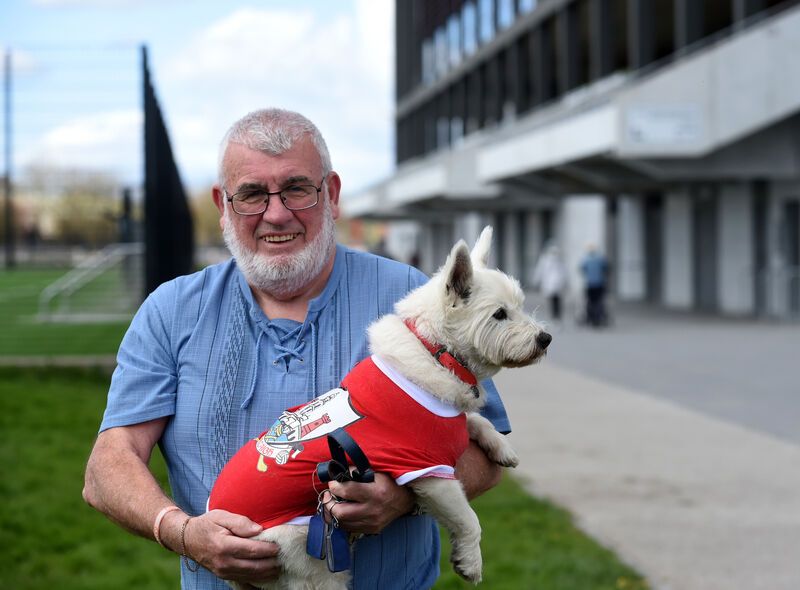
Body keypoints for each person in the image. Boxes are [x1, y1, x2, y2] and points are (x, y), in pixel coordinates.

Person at [83, 108, 511, 590]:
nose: (276, 213)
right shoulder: (171, 310)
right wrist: (184, 533)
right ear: (222, 205)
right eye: (250, 194)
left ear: (330, 194)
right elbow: (107, 465)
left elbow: (488, 451)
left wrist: (406, 496)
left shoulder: (413, 298)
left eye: (296, 188)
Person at [532, 243, 567, 323]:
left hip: (555, 285)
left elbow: (540, 271)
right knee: (556, 302)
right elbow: (541, 271)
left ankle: (555, 318)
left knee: (554, 302)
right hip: (554, 285)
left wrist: (537, 280)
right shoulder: (548, 260)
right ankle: (556, 318)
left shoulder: (549, 260)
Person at [580, 243, 610, 327]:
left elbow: (582, 269)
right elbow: (606, 268)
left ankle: (591, 318)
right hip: (600, 283)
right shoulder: (600, 259)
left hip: (590, 284)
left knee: (590, 302)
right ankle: (598, 318)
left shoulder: (586, 259)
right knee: (599, 302)